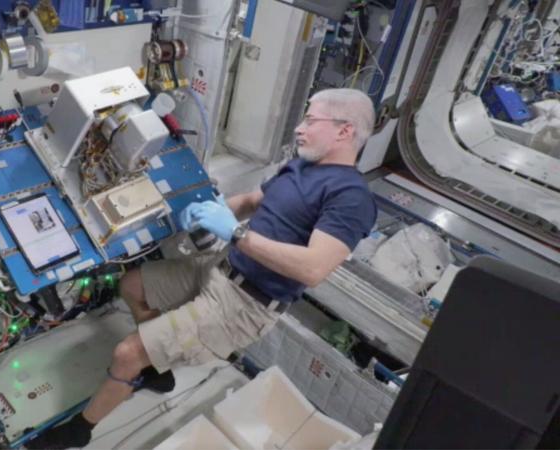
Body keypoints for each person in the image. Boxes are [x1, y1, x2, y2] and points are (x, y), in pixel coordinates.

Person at [25, 88, 378, 449]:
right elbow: (255, 201)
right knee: (132, 285)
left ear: (344, 131)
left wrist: (236, 233)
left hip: (245, 303)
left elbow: (313, 268)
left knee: (126, 353)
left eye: (311, 120)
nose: (300, 128)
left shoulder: (351, 197)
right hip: (220, 266)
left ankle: (80, 430)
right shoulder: (302, 165)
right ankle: (156, 366)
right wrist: (213, 210)